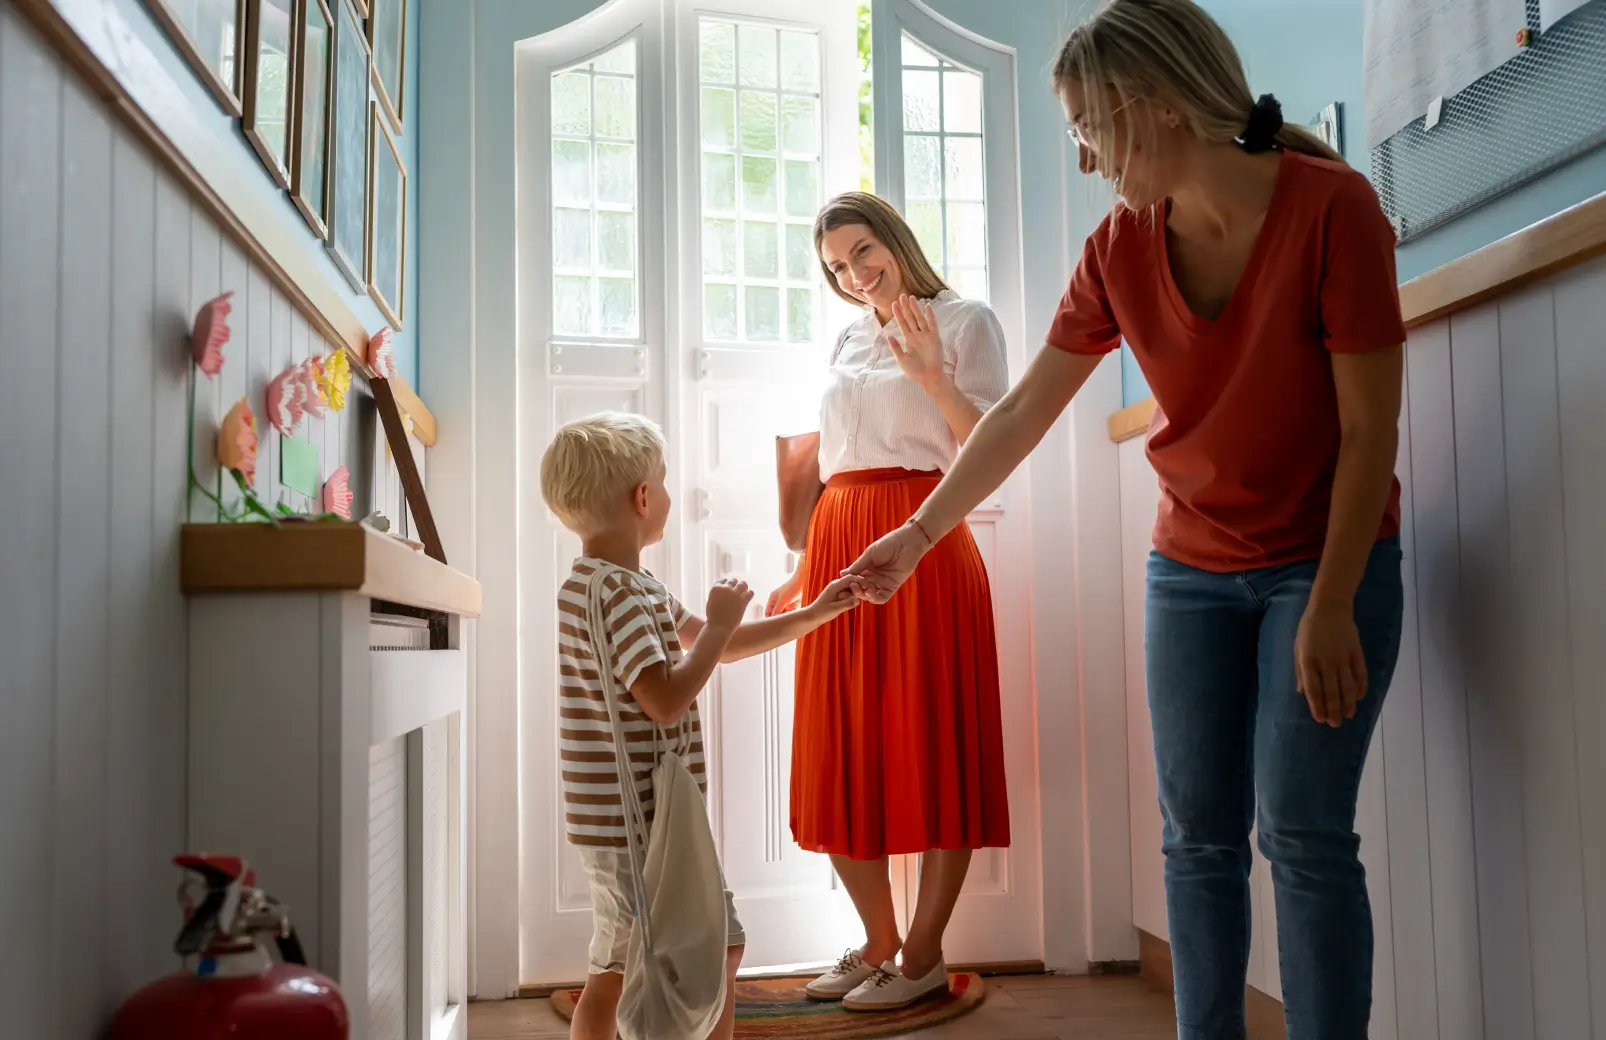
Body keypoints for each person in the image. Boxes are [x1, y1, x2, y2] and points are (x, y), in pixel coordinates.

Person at [844, 2, 1407, 1036]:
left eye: (1088, 129)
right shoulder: (1117, 249)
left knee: (1303, 832)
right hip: (1190, 569)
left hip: (1326, 564)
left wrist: (1331, 603)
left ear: (1153, 111)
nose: (1086, 157)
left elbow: (1370, 429)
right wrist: (917, 535)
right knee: (1196, 839)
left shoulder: (1335, 209)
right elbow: (1019, 413)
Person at [766, 192, 1012, 1012]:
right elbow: (835, 455)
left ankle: (924, 954)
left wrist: (932, 377)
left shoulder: (968, 320)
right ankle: (877, 941)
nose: (854, 275)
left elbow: (988, 446)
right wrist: (804, 567)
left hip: (927, 538)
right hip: (840, 543)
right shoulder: (845, 333)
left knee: (936, 742)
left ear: (895, 238)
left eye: (863, 252)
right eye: (837, 266)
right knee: (840, 746)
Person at [541, 412, 861, 1040]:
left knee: (700, 947)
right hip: (631, 824)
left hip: (647, 818)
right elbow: (665, 698)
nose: (665, 493)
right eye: (661, 482)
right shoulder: (616, 594)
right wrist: (715, 626)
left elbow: (724, 644)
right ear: (641, 498)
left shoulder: (624, 586)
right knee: (633, 961)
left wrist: (817, 614)